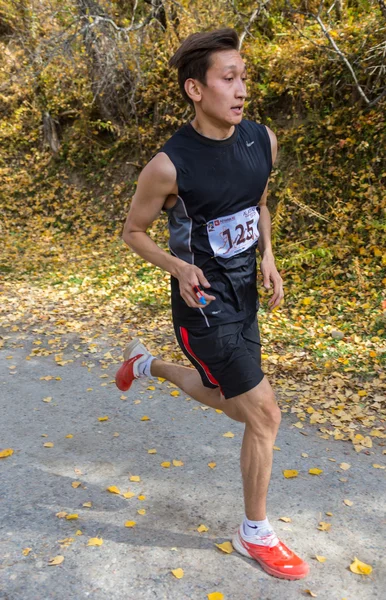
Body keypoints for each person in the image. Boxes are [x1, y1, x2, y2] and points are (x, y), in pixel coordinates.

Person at [115, 28, 309, 580]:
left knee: (230, 399)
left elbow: (260, 202)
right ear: (195, 90)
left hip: (245, 297)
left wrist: (268, 255)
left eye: (244, 76)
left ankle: (144, 364)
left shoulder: (261, 141)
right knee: (264, 413)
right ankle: (256, 533)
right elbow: (133, 231)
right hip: (202, 305)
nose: (241, 88)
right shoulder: (169, 165)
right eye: (229, 78)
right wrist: (177, 266)